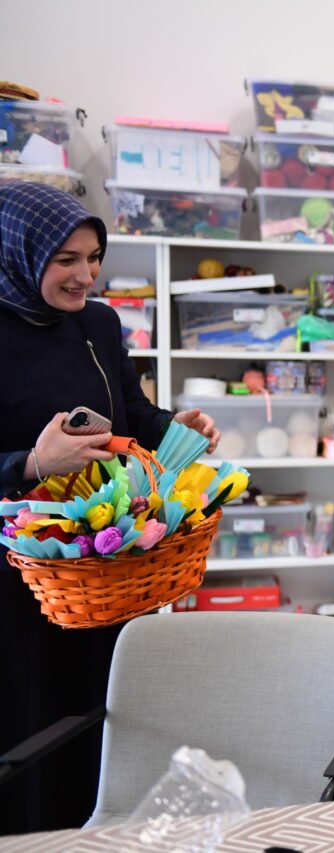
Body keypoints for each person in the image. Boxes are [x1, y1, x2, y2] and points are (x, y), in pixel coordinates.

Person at [0, 182, 220, 833]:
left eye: (94, 257)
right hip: (23, 577)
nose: (86, 275)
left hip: (103, 566)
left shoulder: (98, 324)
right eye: (66, 259)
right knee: (33, 724)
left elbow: (131, 413)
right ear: (20, 253)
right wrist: (32, 464)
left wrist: (172, 425)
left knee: (110, 714)